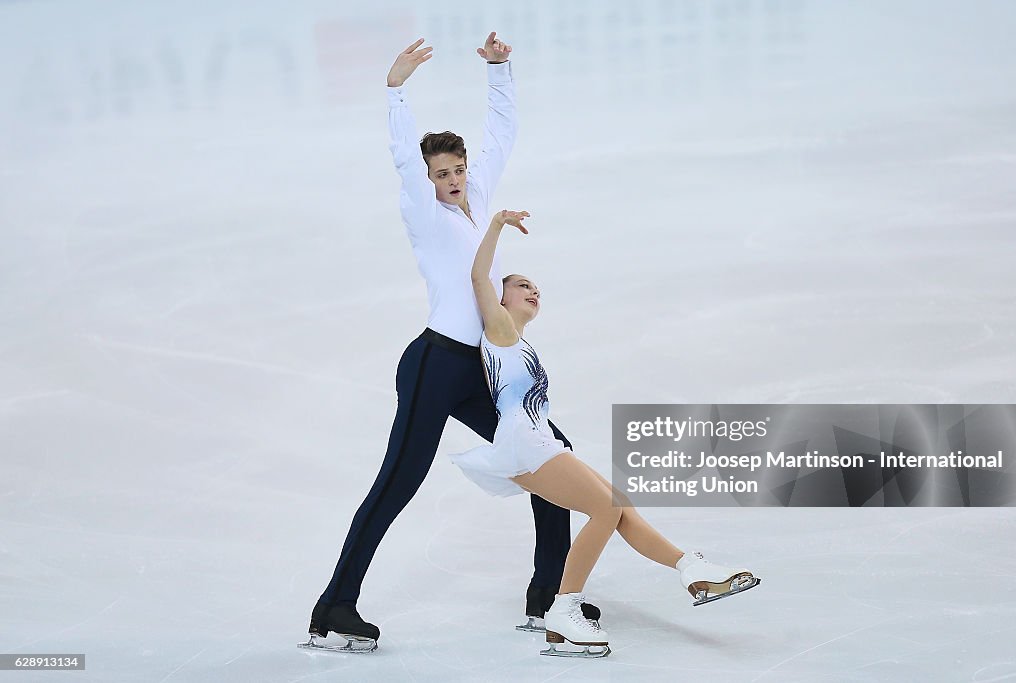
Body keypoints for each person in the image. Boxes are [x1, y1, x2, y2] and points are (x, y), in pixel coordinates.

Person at [304, 34, 597, 653]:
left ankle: (548, 595)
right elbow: (404, 164)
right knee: (397, 483)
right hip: (433, 365)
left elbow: (502, 135)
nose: (453, 180)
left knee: (552, 460)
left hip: (476, 368)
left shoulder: (475, 200)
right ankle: (335, 606)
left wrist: (499, 70)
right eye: (443, 174)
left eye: (458, 170)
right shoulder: (424, 213)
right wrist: (395, 90)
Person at [450, 209, 761, 657]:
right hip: (524, 444)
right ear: (500, 299)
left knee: (617, 504)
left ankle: (690, 567)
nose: (532, 290)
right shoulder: (499, 330)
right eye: (520, 285)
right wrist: (497, 224)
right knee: (602, 509)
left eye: (535, 286)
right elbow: (479, 276)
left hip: (540, 441)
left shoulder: (522, 342)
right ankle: (563, 608)